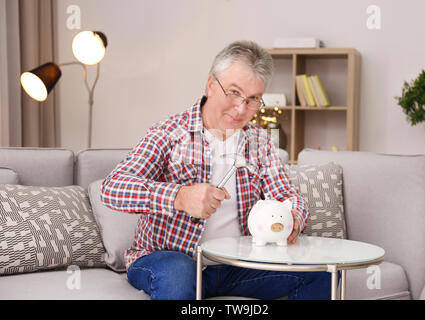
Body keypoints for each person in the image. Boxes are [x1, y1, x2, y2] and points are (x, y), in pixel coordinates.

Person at [101, 40, 332, 300]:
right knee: (179, 274)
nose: (241, 109)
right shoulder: (168, 133)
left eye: (253, 99)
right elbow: (113, 187)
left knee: (321, 276)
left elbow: (287, 196)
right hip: (168, 259)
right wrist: (180, 197)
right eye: (233, 92)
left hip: (237, 266)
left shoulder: (260, 141)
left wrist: (293, 218)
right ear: (211, 84)